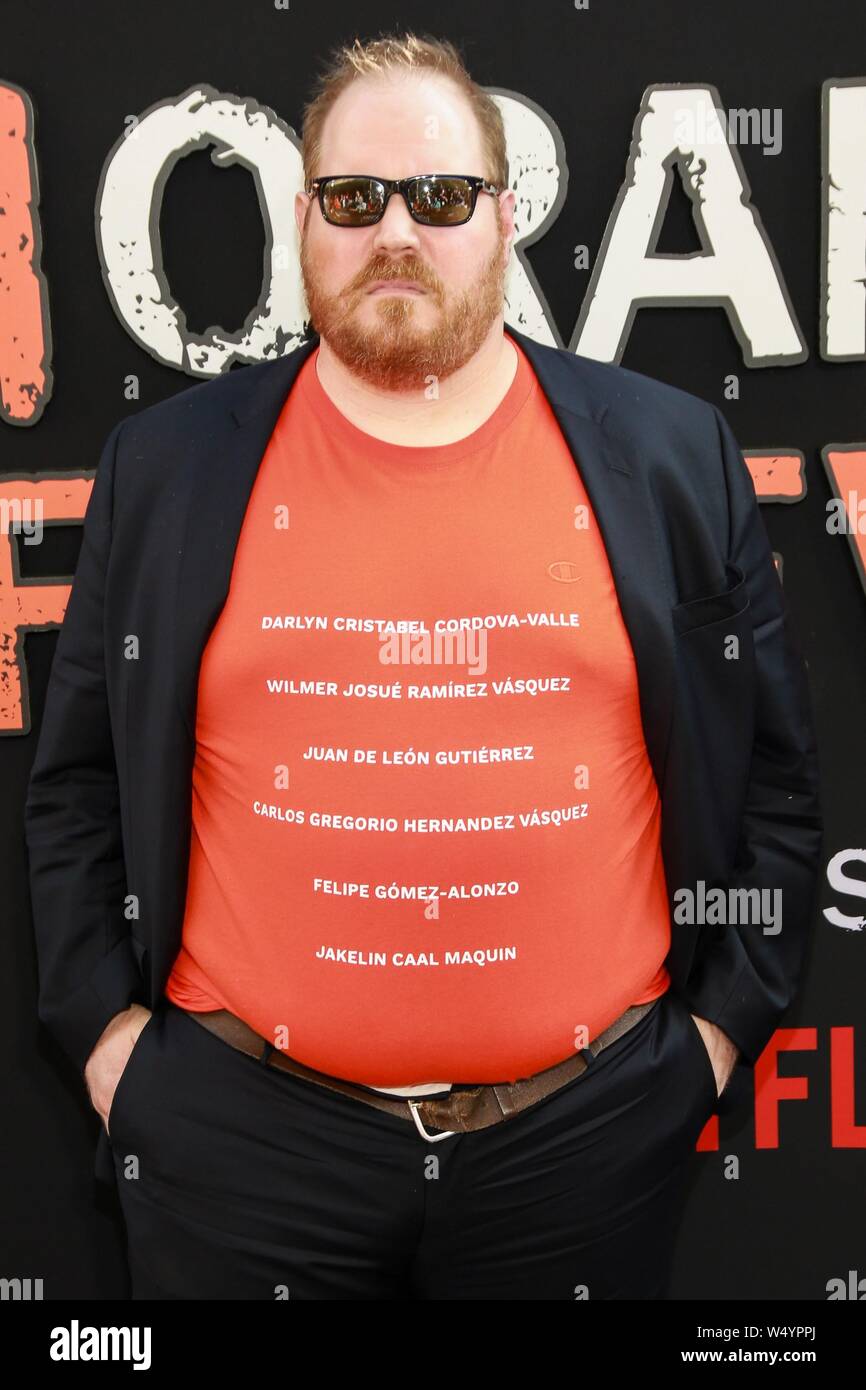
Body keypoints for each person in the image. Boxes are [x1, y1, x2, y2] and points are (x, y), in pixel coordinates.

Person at [24, 31, 823, 1300]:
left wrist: (713, 1042)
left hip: (584, 1148)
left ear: (503, 216)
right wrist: (110, 1044)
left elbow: (770, 780)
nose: (395, 231)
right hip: (239, 1155)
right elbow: (72, 784)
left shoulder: (667, 456)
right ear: (304, 219)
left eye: (439, 196)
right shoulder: (168, 468)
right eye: (354, 197)